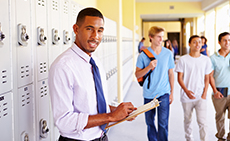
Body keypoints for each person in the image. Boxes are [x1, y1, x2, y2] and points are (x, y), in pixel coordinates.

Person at [48, 7, 136, 141]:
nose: (95, 36)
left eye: (100, 30)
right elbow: (63, 121)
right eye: (90, 29)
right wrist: (110, 117)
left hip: (101, 137)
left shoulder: (95, 62)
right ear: (76, 29)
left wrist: (117, 111)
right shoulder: (63, 66)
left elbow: (91, 105)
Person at [135, 26, 174, 141]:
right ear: (151, 37)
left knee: (163, 124)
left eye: (162, 37)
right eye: (158, 37)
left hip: (164, 93)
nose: (161, 39)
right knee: (150, 123)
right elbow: (137, 75)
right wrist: (149, 67)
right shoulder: (143, 55)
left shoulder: (168, 54)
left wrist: (172, 93)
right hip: (149, 94)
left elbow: (171, 74)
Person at [175, 35, 212, 141]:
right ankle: (189, 139)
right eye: (195, 42)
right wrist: (186, 91)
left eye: (199, 42)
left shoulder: (206, 60)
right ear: (189, 44)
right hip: (186, 97)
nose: (197, 44)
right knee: (187, 120)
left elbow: (207, 78)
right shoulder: (183, 60)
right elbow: (179, 78)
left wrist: (204, 93)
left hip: (201, 96)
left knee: (202, 122)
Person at [209, 32, 230, 141]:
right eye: (224, 40)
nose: (227, 42)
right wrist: (215, 91)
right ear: (219, 42)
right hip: (219, 93)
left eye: (229, 40)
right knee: (220, 117)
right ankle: (221, 137)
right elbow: (210, 76)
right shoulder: (213, 58)